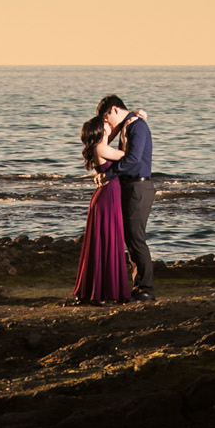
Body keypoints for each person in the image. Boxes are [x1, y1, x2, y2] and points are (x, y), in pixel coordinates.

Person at [91, 94, 154, 299]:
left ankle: (145, 289)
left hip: (139, 186)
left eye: (107, 118)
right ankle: (138, 286)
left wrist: (109, 174)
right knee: (130, 237)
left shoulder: (138, 127)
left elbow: (134, 160)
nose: (107, 123)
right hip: (129, 186)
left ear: (115, 110)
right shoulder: (129, 124)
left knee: (136, 237)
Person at [71, 114, 130, 304]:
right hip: (107, 197)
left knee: (103, 242)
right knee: (107, 241)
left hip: (105, 195)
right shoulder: (101, 147)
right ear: (101, 130)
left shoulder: (100, 147)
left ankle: (99, 290)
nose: (109, 124)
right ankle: (104, 292)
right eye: (105, 124)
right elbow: (127, 156)